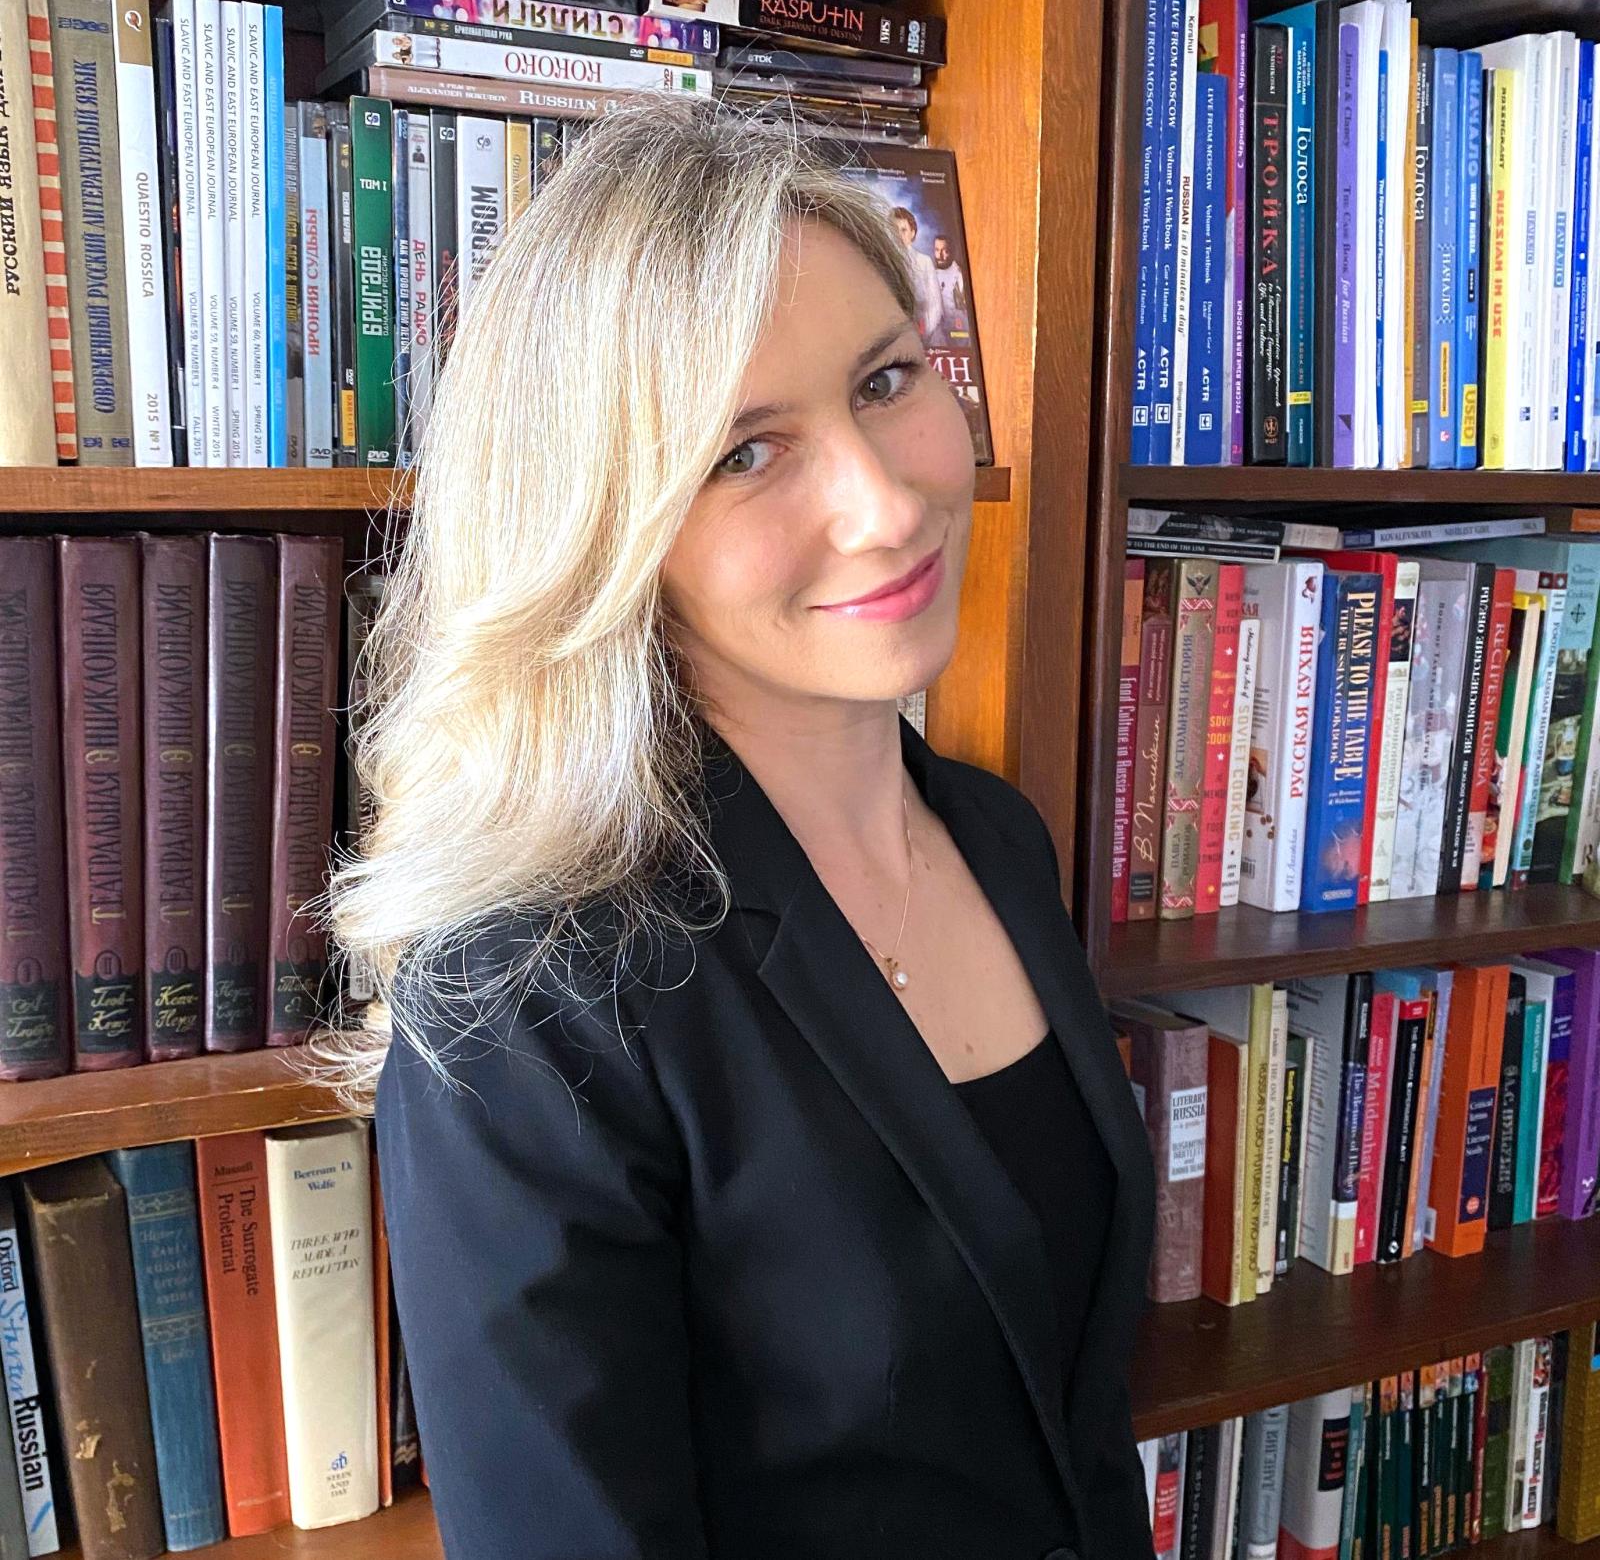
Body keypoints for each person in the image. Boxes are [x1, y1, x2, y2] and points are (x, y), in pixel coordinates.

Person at [321, 96, 1156, 1560]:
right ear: (608, 527)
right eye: (748, 453)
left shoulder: (999, 838)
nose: (887, 502)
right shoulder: (526, 1003)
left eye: (886, 380)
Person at [891, 203, 945, 341]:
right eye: (894, 229)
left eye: (903, 230)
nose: (899, 234)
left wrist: (924, 333)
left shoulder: (924, 262)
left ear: (912, 233)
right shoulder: (882, 261)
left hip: (922, 334)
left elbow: (935, 304)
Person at [932, 232, 969, 334]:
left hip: (960, 331)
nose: (940, 255)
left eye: (945, 251)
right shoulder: (931, 274)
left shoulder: (961, 274)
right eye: (937, 250)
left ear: (952, 252)